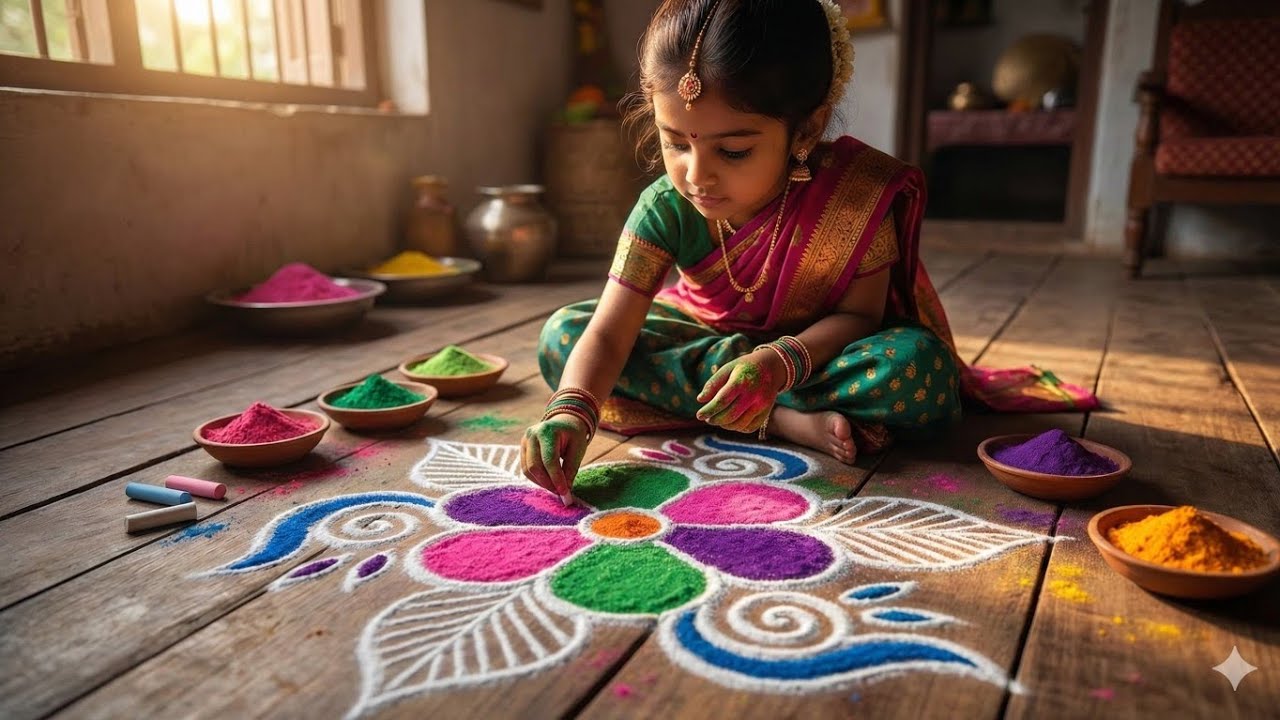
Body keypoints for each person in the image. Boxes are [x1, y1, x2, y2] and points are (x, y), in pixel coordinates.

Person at [521, 0, 1096, 503]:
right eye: (675, 142)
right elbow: (608, 331)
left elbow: (860, 316)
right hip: (705, 335)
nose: (697, 175)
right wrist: (570, 411)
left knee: (918, 370)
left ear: (806, 128)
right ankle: (782, 420)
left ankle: (752, 402)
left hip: (817, 355)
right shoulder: (664, 205)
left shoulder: (853, 197)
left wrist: (776, 363)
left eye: (735, 151)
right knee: (563, 338)